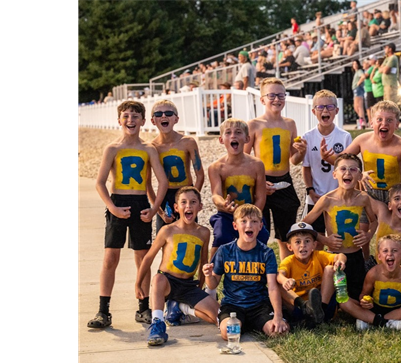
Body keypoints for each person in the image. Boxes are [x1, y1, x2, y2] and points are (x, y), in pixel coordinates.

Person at [88, 100, 169, 328]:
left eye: (135, 116)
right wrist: (112, 208)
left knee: (141, 258)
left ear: (143, 121)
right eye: (126, 116)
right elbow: (100, 183)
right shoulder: (112, 148)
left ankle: (143, 307)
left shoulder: (148, 149)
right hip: (118, 202)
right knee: (110, 258)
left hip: (140, 203)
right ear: (119, 120)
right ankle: (103, 311)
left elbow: (162, 181)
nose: (130, 120)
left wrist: (154, 209)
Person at [136, 187, 219, 346]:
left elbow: (203, 263)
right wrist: (138, 283)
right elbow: (148, 258)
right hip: (168, 282)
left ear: (200, 207)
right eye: (184, 202)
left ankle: (183, 309)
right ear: (176, 207)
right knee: (158, 278)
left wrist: (200, 289)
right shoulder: (167, 230)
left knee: (218, 317)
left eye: (193, 202)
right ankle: (158, 324)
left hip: (188, 285)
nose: (188, 206)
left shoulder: (204, 233)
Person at [202, 204, 290, 339]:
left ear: (260, 226)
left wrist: (278, 316)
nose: (249, 225)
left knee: (279, 332)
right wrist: (208, 275)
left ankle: (257, 323)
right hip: (233, 305)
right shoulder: (224, 251)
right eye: (243, 221)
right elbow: (213, 284)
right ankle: (241, 323)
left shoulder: (266, 253)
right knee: (229, 333)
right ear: (235, 226)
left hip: (259, 305)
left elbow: (272, 287)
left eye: (254, 221)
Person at [301, 153, 378, 300]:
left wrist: (368, 235)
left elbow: (374, 222)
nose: (347, 173)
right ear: (334, 174)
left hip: (356, 256)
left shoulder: (363, 198)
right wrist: (324, 240)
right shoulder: (327, 200)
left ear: (360, 175)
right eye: (343, 169)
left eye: (353, 169)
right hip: (334, 257)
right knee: (335, 298)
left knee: (357, 296)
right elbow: (304, 225)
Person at [245, 78, 304, 260]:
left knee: (286, 234)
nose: (277, 99)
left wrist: (301, 152)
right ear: (262, 99)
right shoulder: (254, 124)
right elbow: (244, 158)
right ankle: (258, 270)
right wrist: (258, 183)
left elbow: (293, 160)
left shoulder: (290, 124)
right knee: (258, 230)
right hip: (261, 181)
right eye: (272, 95)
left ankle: (285, 269)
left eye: (281, 95)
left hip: (284, 181)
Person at [331, 100, 401, 204]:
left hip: (395, 193)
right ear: (371, 123)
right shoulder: (362, 140)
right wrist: (359, 174)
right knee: (365, 219)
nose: (384, 123)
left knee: (400, 219)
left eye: (390, 120)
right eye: (379, 119)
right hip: (369, 192)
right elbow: (342, 161)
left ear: (397, 125)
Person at [208, 118, 268, 265]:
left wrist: (253, 216)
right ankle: (210, 277)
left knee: (262, 236)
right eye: (228, 133)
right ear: (221, 139)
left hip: (251, 213)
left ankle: (259, 273)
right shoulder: (216, 167)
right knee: (221, 237)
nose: (233, 136)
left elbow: (261, 196)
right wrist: (224, 204)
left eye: (238, 132)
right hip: (226, 215)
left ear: (247, 138)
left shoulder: (256, 165)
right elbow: (215, 194)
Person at [336, 234, 401, 331]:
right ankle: (388, 323)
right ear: (379, 256)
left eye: (394, 251)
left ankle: (371, 322)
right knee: (344, 302)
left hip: (396, 311)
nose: (390, 254)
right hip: (373, 309)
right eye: (385, 251)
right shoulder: (373, 273)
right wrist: (365, 301)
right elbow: (364, 294)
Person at [147, 100, 205, 239]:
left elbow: (200, 175)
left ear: (176, 119)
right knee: (166, 241)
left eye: (168, 113)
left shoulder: (187, 142)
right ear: (153, 120)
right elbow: (147, 183)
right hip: (165, 196)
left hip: (186, 192)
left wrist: (193, 200)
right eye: (158, 114)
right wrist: (159, 212)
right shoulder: (151, 147)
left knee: (190, 237)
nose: (163, 116)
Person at [300, 89, 353, 234]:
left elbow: (348, 167)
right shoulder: (308, 137)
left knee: (337, 236)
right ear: (314, 111)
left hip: (339, 195)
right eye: (320, 107)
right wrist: (310, 190)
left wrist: (329, 159)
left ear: (336, 111)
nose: (325, 110)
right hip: (316, 196)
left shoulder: (345, 137)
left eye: (329, 107)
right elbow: (306, 167)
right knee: (316, 236)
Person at [276, 222, 346, 328]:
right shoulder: (288, 261)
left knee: (330, 269)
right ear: (290, 247)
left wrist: (340, 261)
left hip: (323, 305)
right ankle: (307, 309)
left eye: (307, 241)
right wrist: (285, 280)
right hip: (300, 308)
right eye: (298, 242)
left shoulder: (318, 256)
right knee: (278, 283)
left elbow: (340, 255)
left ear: (314, 245)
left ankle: (320, 312)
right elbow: (280, 274)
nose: (303, 245)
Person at [351, 60, 368, 130]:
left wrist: (359, 83)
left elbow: (363, 76)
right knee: (356, 107)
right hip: (355, 90)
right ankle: (362, 121)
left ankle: (362, 122)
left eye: (356, 64)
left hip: (358, 89)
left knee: (359, 106)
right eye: (353, 64)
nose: (354, 65)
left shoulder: (359, 71)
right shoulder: (356, 72)